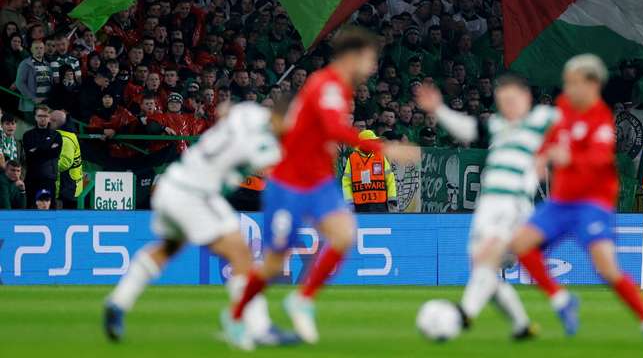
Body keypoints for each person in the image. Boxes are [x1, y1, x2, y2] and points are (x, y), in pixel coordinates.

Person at [228, 28, 417, 345]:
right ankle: (237, 316)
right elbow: (332, 127)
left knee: (344, 234)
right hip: (290, 182)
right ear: (353, 56)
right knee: (275, 261)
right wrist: (384, 148)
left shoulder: (341, 89)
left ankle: (302, 299)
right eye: (370, 59)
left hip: (318, 182)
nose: (373, 67)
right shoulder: (326, 84)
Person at [104, 101, 297, 349]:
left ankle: (118, 302)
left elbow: (225, 109)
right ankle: (257, 327)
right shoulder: (265, 145)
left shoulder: (249, 112)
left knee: (168, 248)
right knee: (240, 254)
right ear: (281, 118)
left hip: (174, 182)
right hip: (194, 194)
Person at [509, 55, 643, 348]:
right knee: (519, 246)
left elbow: (598, 159)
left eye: (573, 83)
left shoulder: (602, 119)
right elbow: (551, 141)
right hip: (560, 203)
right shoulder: (564, 108)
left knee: (606, 269)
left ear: (592, 84)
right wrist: (541, 158)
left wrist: (568, 158)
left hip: (592, 205)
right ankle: (562, 300)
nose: (567, 88)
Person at [415, 73, 557, 339]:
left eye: (512, 98)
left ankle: (464, 314)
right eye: (502, 99)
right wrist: (439, 110)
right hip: (489, 207)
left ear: (526, 99)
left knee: (486, 261)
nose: (507, 104)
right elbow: (470, 129)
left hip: (513, 205)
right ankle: (522, 326)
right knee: (484, 271)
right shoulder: (499, 125)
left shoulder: (541, 120)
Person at [341, 129, 398, 212]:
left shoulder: (381, 157)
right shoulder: (352, 158)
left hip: (380, 204)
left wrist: (392, 197)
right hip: (359, 204)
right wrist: (349, 202)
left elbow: (390, 179)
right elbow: (346, 182)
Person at [22, 105, 62, 208]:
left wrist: (37, 149)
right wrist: (48, 147)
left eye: (45, 116)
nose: (42, 118)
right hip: (32, 178)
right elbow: (29, 155)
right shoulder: (28, 135)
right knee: (30, 209)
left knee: (49, 210)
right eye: (40, 116)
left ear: (49, 118)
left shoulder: (56, 135)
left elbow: (55, 153)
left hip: (49, 178)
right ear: (35, 117)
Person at [50, 109, 83, 209]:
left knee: (63, 217)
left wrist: (46, 164)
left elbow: (65, 163)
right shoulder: (67, 134)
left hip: (67, 187)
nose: (48, 122)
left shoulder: (65, 138)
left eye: (50, 120)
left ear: (55, 121)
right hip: (69, 184)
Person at [15, 40, 53, 115]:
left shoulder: (48, 64)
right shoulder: (25, 63)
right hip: (31, 105)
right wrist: (33, 98)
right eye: (36, 48)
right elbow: (19, 83)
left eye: (41, 48)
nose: (39, 50)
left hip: (45, 104)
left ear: (44, 50)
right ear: (31, 50)